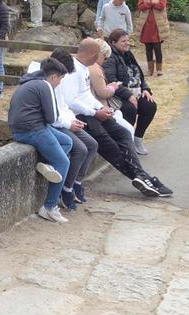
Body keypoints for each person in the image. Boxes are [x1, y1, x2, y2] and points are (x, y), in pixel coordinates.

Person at [59, 39, 172, 197]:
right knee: (109, 145)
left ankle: (141, 175)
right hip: (78, 117)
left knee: (123, 133)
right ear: (92, 54)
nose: (103, 58)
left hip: (91, 112)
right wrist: (95, 112)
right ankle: (138, 177)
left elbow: (85, 95)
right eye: (100, 54)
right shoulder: (73, 70)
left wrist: (100, 108)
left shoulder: (84, 68)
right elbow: (71, 101)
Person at [30, 49, 99, 209]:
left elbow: (62, 105)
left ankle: (75, 182)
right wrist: (69, 124)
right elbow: (52, 115)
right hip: (53, 125)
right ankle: (65, 189)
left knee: (92, 144)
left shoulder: (56, 81)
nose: (63, 79)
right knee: (79, 149)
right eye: (63, 76)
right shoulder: (46, 84)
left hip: (62, 121)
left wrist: (73, 120)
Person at [8, 58, 75, 224]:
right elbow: (52, 118)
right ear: (53, 77)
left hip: (21, 130)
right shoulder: (45, 86)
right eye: (60, 79)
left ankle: (48, 166)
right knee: (64, 163)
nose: (59, 83)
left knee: (67, 141)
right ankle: (49, 207)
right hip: (33, 130)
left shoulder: (29, 81)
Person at [104, 29, 157, 155]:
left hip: (136, 92)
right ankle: (127, 142)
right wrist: (128, 95)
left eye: (128, 40)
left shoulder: (129, 54)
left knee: (150, 106)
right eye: (123, 41)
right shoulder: (111, 58)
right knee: (129, 109)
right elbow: (111, 80)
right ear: (113, 43)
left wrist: (145, 89)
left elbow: (139, 75)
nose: (127, 43)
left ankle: (138, 139)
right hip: (118, 95)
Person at [136, 0, 170, 77]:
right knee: (148, 48)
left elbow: (161, 6)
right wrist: (152, 2)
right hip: (146, 25)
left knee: (157, 47)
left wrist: (150, 4)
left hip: (157, 25)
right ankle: (150, 70)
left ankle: (159, 69)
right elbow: (141, 6)